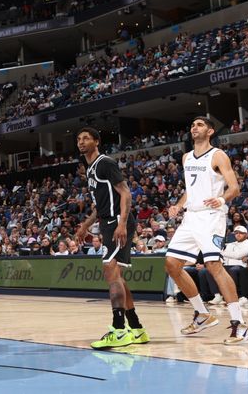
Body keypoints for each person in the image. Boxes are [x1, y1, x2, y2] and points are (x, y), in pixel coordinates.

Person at [164, 117, 248, 345]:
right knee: (172, 264)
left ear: (211, 131)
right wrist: (179, 205)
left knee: (214, 266)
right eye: (192, 125)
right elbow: (190, 190)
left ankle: (240, 325)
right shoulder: (186, 157)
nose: (195, 127)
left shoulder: (217, 155)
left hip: (211, 216)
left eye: (200, 125)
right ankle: (202, 314)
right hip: (191, 216)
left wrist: (221, 199)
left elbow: (234, 187)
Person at [75, 127, 149, 348]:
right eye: (78, 139)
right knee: (117, 276)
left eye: (86, 138)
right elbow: (100, 206)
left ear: (96, 141)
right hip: (108, 222)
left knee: (110, 272)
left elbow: (125, 192)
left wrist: (123, 223)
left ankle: (118, 330)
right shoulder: (90, 169)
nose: (81, 142)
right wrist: (85, 225)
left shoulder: (105, 162)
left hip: (117, 222)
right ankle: (136, 328)